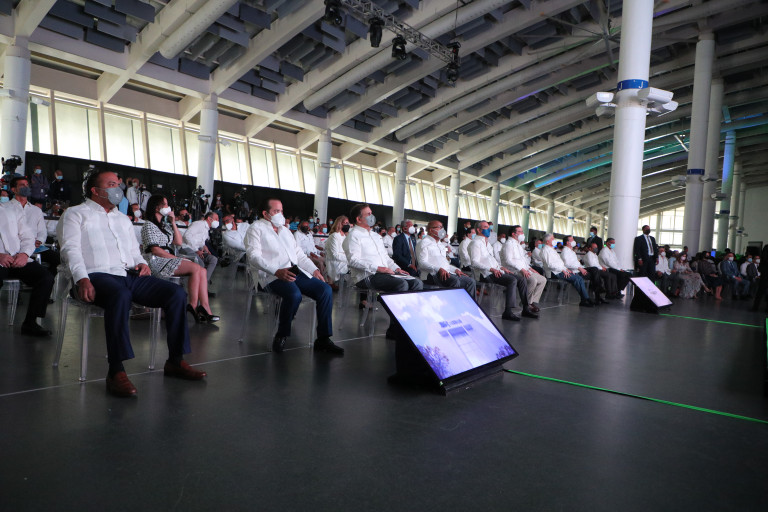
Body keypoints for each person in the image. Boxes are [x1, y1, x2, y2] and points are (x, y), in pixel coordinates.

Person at [57, 169, 206, 397]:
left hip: (127, 274)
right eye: (111, 184)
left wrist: (141, 263)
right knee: (120, 296)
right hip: (94, 275)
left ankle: (176, 361)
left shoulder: (122, 219)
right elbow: (70, 249)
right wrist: (82, 278)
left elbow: (134, 251)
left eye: (118, 184)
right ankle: (116, 371)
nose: (118, 188)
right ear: (95, 190)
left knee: (175, 293)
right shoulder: (75, 214)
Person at [245, 198, 342, 355]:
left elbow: (299, 254)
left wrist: (314, 270)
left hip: (293, 271)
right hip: (270, 275)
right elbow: (253, 256)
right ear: (265, 213)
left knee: (325, 290)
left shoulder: (284, 231)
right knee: (294, 295)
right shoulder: (256, 229)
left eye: (282, 211)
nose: (280, 214)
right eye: (276, 211)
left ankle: (323, 339)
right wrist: (276, 271)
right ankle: (282, 334)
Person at [343, 204, 422, 334]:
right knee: (401, 284)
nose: (372, 216)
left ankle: (409, 322)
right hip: (366, 276)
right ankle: (395, 329)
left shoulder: (375, 236)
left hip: (384, 273)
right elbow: (353, 260)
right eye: (368, 214)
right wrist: (379, 268)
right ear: (358, 219)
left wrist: (397, 268)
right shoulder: (353, 236)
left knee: (416, 283)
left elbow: (386, 258)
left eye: (371, 213)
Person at [141, 194, 219, 323]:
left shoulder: (164, 225)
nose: (168, 207)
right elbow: (155, 250)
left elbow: (178, 241)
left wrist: (173, 222)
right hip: (156, 260)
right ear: (157, 207)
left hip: (167, 258)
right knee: (195, 268)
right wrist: (174, 258)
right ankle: (193, 305)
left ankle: (204, 307)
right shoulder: (148, 225)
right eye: (166, 204)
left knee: (203, 270)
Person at [0, 197, 54, 336]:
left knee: (45, 278)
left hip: (16, 258)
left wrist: (24, 254)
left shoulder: (10, 211)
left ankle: (31, 323)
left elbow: (28, 236)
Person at [469, 220, 537, 321]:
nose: (489, 229)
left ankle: (526, 308)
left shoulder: (487, 244)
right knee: (512, 280)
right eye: (486, 227)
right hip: (485, 274)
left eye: (488, 227)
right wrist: (491, 269)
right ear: (478, 230)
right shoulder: (475, 243)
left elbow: (491, 260)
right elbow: (474, 262)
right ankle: (508, 312)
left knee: (521, 279)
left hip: (495, 271)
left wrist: (501, 267)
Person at [8, 177, 60, 276]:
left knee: (58, 259)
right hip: (14, 247)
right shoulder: (6, 208)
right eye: (22, 185)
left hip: (34, 246)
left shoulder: (36, 210)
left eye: (27, 185)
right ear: (13, 189)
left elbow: (42, 231)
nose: (26, 187)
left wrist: (39, 240)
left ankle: (49, 280)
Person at [418, 220, 476, 297]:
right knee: (455, 281)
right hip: (431, 274)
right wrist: (439, 269)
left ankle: (468, 304)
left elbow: (445, 263)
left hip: (446, 272)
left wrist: (455, 270)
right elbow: (422, 263)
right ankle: (453, 303)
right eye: (439, 227)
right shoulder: (424, 243)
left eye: (442, 227)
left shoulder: (440, 244)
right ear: (431, 230)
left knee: (470, 281)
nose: (442, 230)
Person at [500, 226, 545, 312]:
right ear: (513, 234)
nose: (522, 234)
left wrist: (530, 269)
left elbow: (523, 261)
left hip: (523, 269)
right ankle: (527, 304)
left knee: (542, 279)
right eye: (520, 232)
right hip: (513, 270)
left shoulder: (518, 245)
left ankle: (530, 302)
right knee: (532, 280)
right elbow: (508, 260)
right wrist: (522, 269)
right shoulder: (509, 244)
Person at [540, 233, 592, 307]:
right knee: (577, 278)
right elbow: (550, 265)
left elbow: (560, 263)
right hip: (553, 273)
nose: (554, 240)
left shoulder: (551, 249)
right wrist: (563, 270)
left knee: (578, 278)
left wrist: (566, 269)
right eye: (552, 239)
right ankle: (585, 299)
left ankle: (585, 299)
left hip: (559, 271)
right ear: (547, 241)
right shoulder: (545, 250)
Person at [559, 235, 602, 305]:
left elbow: (576, 263)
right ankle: (595, 296)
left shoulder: (571, 251)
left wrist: (582, 268)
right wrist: (580, 268)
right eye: (572, 240)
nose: (574, 241)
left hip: (579, 269)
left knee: (595, 270)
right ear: (567, 242)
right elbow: (567, 264)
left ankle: (596, 295)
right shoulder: (565, 251)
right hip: (575, 271)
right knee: (595, 275)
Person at [181, 212, 219, 288]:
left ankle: (203, 285)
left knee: (213, 259)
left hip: (197, 249)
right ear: (209, 219)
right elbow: (187, 235)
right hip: (187, 248)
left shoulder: (206, 229)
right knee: (200, 264)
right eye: (216, 219)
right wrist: (196, 250)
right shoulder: (198, 224)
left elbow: (200, 240)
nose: (218, 221)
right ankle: (196, 287)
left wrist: (204, 246)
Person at [325, 215, 350, 288]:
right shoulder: (334, 236)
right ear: (340, 223)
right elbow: (335, 255)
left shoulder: (344, 236)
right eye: (345, 223)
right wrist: (348, 258)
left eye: (348, 223)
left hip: (343, 261)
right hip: (335, 263)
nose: (347, 225)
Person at [751, 245, 767, 312]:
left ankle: (756, 307)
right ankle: (755, 307)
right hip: (765, 273)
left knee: (760, 291)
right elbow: (764, 259)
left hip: (764, 272)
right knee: (761, 291)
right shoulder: (766, 248)